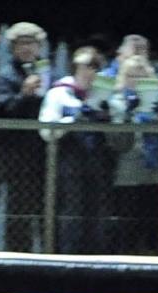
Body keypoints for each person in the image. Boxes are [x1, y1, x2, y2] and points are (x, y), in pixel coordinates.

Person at [38, 46, 114, 255]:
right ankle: (67, 257)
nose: (89, 72)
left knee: (99, 214)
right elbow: (46, 131)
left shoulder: (103, 96)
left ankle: (97, 259)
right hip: (68, 163)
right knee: (71, 213)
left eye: (93, 68)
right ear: (75, 68)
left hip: (99, 163)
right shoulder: (59, 93)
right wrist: (73, 119)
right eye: (85, 67)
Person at [0, 22, 49, 253]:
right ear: (13, 47)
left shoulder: (45, 73)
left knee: (25, 210)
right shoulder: (4, 74)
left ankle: (20, 256)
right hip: (5, 150)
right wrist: (23, 95)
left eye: (31, 43)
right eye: (21, 43)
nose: (27, 48)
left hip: (34, 153)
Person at [105, 55, 158, 254]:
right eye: (130, 75)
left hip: (156, 175)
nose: (135, 81)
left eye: (140, 76)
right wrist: (129, 114)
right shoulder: (116, 103)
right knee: (127, 229)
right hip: (128, 175)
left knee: (154, 228)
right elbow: (117, 143)